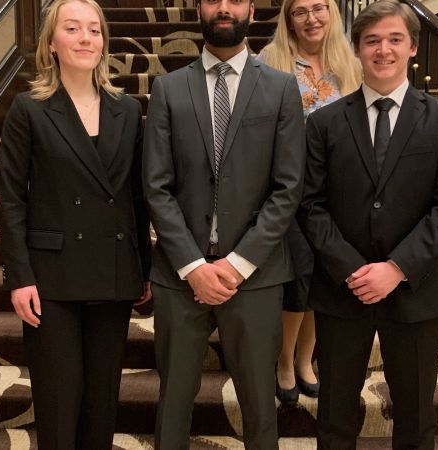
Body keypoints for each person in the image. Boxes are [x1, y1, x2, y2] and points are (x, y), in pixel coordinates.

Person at [297, 0, 438, 448]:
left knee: (415, 416)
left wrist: (395, 268)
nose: (383, 50)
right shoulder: (324, 122)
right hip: (343, 290)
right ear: (356, 48)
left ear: (413, 46)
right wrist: (354, 270)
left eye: (395, 39)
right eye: (371, 40)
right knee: (335, 415)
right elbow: (310, 205)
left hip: (416, 289)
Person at [142, 0, 306, 446]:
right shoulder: (168, 89)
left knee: (258, 402)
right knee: (173, 400)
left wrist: (238, 263)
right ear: (199, 8)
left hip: (256, 274)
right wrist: (193, 265)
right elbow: (156, 186)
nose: (224, 8)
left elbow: (288, 188)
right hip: (181, 275)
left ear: (250, 8)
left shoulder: (281, 88)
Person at [0, 0, 151, 448]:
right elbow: (12, 200)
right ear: (52, 43)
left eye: (94, 30)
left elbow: (135, 197)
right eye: (73, 29)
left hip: (115, 268)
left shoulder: (127, 109)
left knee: (102, 401)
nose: (86, 38)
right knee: (59, 401)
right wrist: (19, 276)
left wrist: (143, 264)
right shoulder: (28, 109)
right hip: (52, 277)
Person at [257, 0, 360, 406]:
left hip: (338, 190)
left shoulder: (349, 62)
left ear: (332, 13)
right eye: (300, 10)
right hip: (288, 189)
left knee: (323, 276)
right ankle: (283, 360)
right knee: (299, 275)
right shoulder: (271, 60)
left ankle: (305, 359)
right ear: (288, 19)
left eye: (319, 8)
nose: (311, 18)